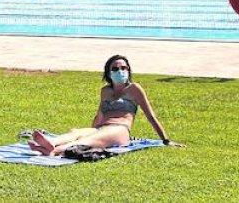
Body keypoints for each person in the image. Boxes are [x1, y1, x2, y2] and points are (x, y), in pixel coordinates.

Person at [28, 55, 183, 156]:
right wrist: (88, 129)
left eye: (124, 68)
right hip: (102, 127)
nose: (120, 71)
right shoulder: (105, 91)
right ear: (109, 73)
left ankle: (53, 151)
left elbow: (151, 116)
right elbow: (100, 115)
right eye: (115, 68)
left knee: (90, 139)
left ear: (129, 71)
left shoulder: (134, 89)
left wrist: (166, 140)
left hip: (120, 130)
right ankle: (52, 143)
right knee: (76, 132)